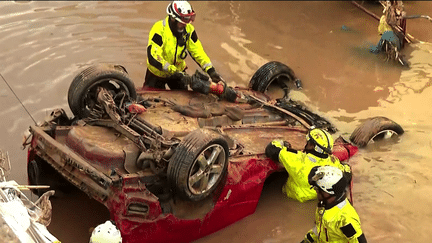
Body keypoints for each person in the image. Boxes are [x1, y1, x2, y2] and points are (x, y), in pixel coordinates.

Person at [143, 1, 223, 90]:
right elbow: (153, 56)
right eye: (182, 22)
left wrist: (211, 70)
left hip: (179, 73)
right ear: (173, 19)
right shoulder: (159, 30)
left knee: (183, 98)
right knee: (148, 100)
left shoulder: (189, 30)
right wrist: (173, 71)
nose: (185, 25)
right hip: (157, 74)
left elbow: (197, 51)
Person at [265, 127, 351, 203]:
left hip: (291, 198)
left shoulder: (297, 159)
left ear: (312, 145)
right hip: (316, 198)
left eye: (309, 141)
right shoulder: (333, 163)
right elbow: (347, 171)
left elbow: (271, 149)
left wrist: (283, 143)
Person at [301, 165, 367, 243]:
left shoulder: (345, 218)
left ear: (328, 192)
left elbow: (359, 241)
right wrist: (308, 240)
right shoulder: (323, 206)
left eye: (318, 189)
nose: (316, 192)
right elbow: (319, 229)